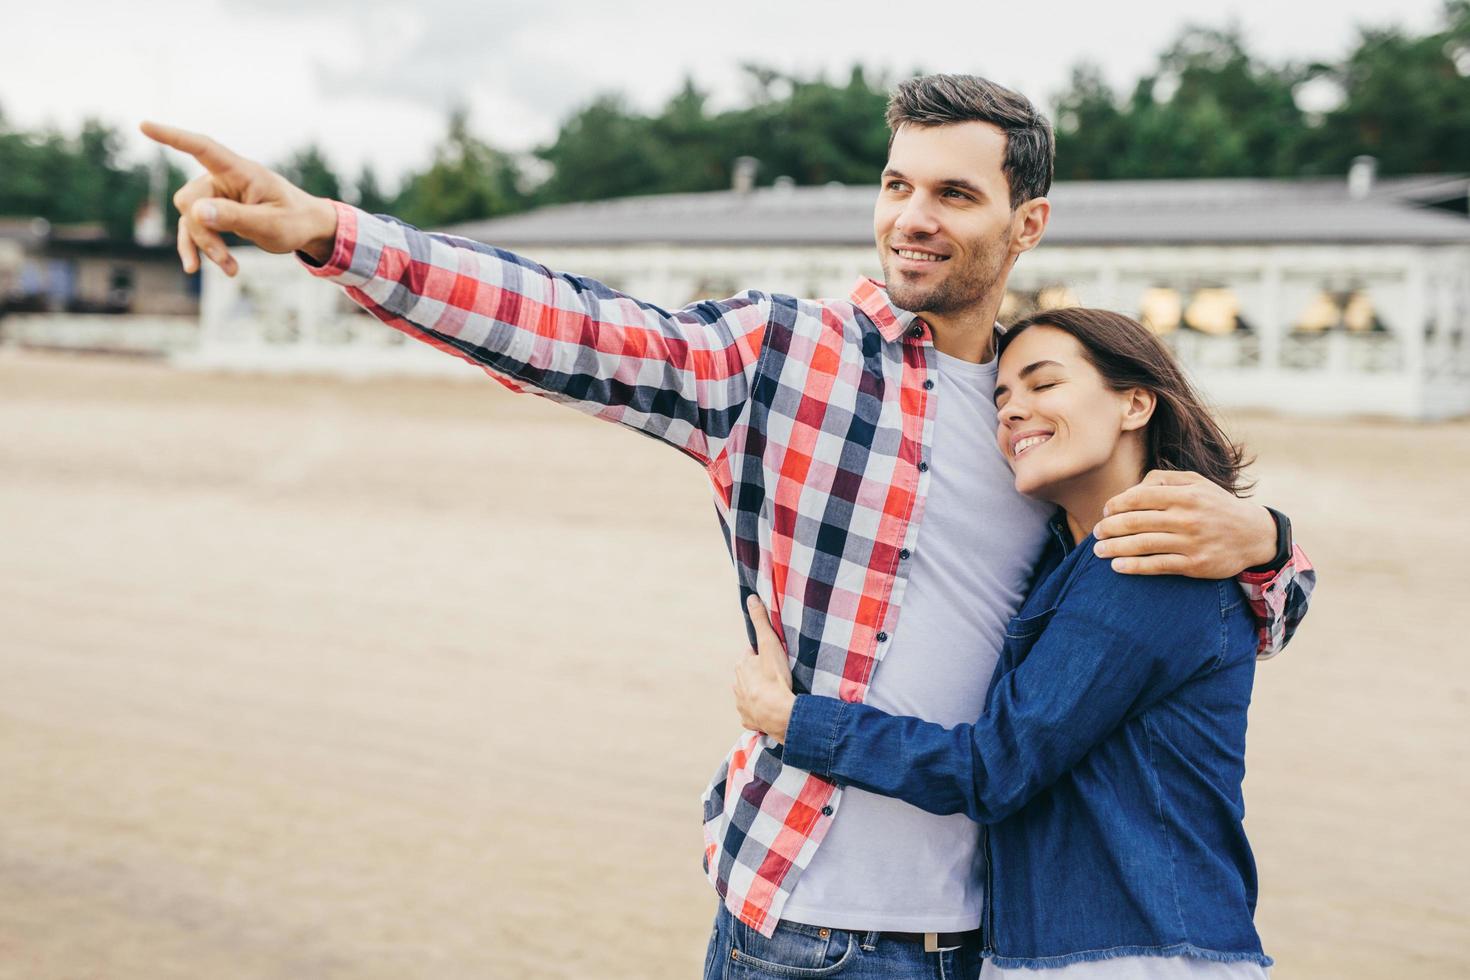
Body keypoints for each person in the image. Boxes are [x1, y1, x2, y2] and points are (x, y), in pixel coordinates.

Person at [140, 74, 1313, 977]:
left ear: (1028, 221)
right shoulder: (788, 356)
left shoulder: (1047, 410)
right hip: (810, 920)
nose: (913, 217)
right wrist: (329, 234)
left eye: (955, 193)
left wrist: (1270, 537)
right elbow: (571, 328)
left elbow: (1178, 617)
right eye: (897, 185)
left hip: (1000, 928)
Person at [734, 306, 1297, 978]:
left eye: (1044, 384)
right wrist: (1272, 540)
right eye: (1001, 396)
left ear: (1136, 403)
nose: (1011, 411)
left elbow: (993, 770)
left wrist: (794, 720)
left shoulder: (1150, 564)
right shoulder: (1072, 559)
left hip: (1137, 954)